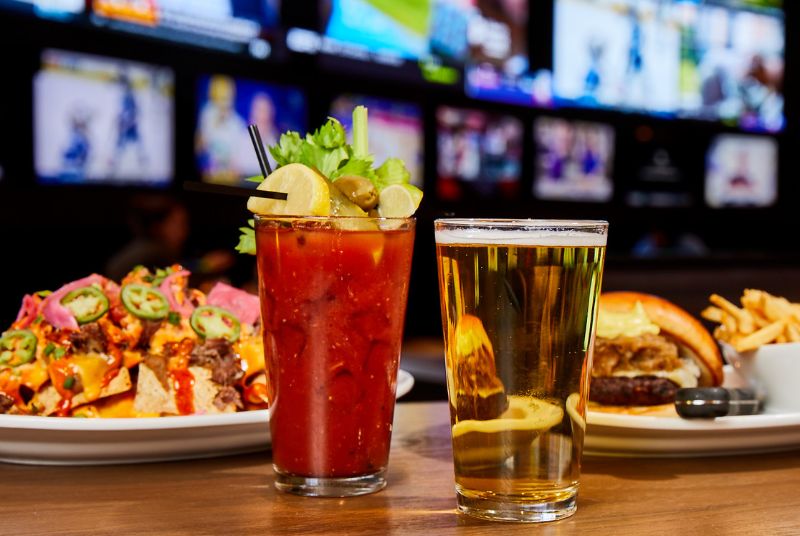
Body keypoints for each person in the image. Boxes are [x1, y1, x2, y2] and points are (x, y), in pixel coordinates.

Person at [106, 195, 190, 281]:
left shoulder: (138, 247)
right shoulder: (157, 255)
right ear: (158, 226)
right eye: (180, 224)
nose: (185, 231)